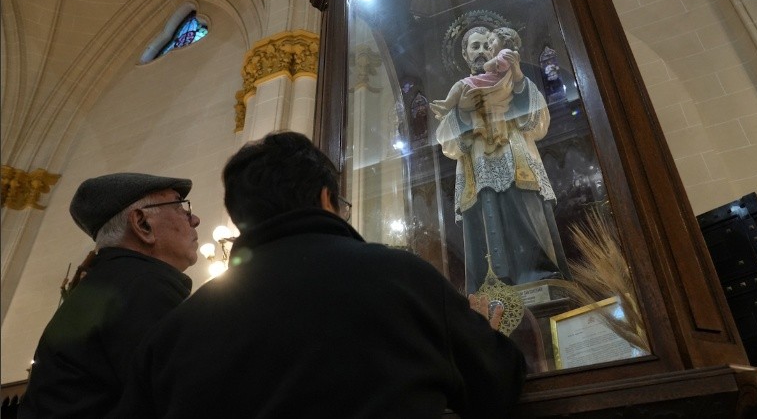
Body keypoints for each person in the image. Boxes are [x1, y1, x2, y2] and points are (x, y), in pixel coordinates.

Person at [112, 131, 526, 418]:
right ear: (327, 198)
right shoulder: (404, 280)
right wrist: (487, 337)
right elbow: (497, 392)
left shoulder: (175, 332)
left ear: (241, 216)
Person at [19, 173, 200, 418]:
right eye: (180, 206)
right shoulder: (142, 286)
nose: (195, 219)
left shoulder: (109, 283)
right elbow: (183, 397)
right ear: (142, 223)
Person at [432, 25, 568, 294]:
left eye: (486, 44)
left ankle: (536, 276)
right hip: (477, 167)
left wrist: (517, 81)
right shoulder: (461, 91)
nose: (482, 51)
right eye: (475, 46)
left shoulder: (515, 82)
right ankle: (491, 287)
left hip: (515, 157)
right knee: (485, 219)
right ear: (466, 55)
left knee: (522, 212)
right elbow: (446, 141)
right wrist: (465, 114)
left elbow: (537, 123)